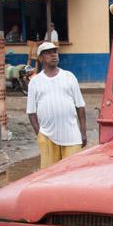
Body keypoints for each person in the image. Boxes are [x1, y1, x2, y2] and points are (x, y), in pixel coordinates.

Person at [27, 41, 87, 169]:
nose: (54, 55)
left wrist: (83, 132)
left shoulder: (69, 77)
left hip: (71, 135)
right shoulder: (35, 82)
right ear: (41, 58)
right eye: (49, 53)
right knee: (49, 176)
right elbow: (31, 112)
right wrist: (39, 134)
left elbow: (80, 106)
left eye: (55, 52)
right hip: (47, 136)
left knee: (72, 173)